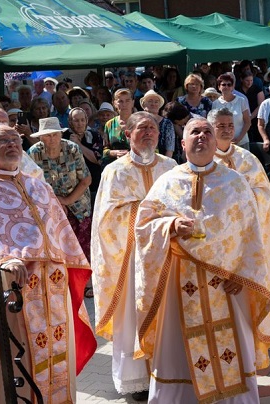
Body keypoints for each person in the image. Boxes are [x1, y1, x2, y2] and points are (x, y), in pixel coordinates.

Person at [133, 117, 270, 403]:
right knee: (178, 352)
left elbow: (252, 234)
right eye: (194, 132)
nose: (201, 136)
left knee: (232, 352)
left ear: (216, 143)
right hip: (180, 284)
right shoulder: (167, 183)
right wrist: (170, 227)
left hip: (227, 286)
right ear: (183, 142)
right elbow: (143, 225)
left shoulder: (235, 183)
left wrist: (244, 275)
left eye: (207, 132)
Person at [0, 124, 96, 403]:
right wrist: (5, 259)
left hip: (53, 285)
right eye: (2, 141)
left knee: (56, 352)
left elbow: (61, 233)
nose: (12, 144)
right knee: (21, 358)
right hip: (18, 289)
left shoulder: (39, 186)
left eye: (15, 139)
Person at [91, 112, 177, 401]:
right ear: (127, 134)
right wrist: (146, 211)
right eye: (142, 129)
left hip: (167, 255)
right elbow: (105, 218)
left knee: (170, 313)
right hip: (131, 260)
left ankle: (169, 371)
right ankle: (137, 379)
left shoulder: (172, 167)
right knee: (132, 314)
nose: (149, 134)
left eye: (153, 128)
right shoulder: (114, 171)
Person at [208, 107, 270, 310]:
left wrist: (241, 199)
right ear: (211, 128)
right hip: (217, 235)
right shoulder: (205, 160)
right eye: (221, 126)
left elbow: (264, 192)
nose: (226, 130)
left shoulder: (247, 159)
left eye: (230, 125)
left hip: (246, 232)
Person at [28, 117, 93, 259]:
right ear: (40, 137)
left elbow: (86, 180)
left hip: (78, 206)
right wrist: (55, 203)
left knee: (82, 253)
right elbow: (32, 186)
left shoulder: (72, 149)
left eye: (55, 134)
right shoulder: (33, 153)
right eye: (47, 135)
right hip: (49, 207)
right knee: (58, 252)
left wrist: (66, 201)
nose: (52, 138)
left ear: (61, 134)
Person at [65, 108, 103, 197]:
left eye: (82, 120)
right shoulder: (64, 136)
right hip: (71, 187)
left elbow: (97, 159)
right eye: (76, 121)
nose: (80, 124)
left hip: (93, 184)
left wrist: (79, 144)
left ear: (86, 120)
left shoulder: (94, 135)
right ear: (70, 121)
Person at [213, 73, 252, 148]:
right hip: (222, 144)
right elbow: (214, 124)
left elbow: (248, 122)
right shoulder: (215, 103)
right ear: (219, 87)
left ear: (233, 87)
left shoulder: (241, 100)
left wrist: (239, 139)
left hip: (241, 142)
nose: (226, 87)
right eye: (223, 85)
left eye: (229, 85)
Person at [140, 89, 175, 158]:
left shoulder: (167, 123)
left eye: (156, 102)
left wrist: (165, 165)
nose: (153, 104)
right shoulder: (138, 122)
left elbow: (170, 148)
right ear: (144, 105)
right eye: (150, 101)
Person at [102, 88, 133, 166]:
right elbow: (104, 150)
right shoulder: (109, 124)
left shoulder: (141, 122)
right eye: (120, 101)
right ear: (114, 103)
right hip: (116, 167)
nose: (124, 104)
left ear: (133, 102)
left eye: (127, 101)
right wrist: (114, 153)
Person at [235, 70, 265, 144]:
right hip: (241, 120)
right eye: (247, 80)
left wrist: (250, 117)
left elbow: (260, 105)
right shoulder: (237, 90)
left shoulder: (257, 89)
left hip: (255, 119)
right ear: (242, 80)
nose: (249, 82)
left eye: (251, 80)